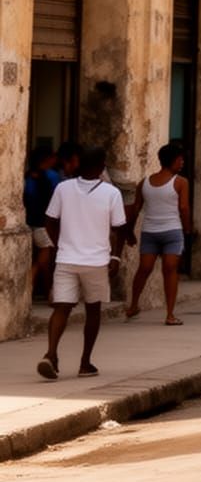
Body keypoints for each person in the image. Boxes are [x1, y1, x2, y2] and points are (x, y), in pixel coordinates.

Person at [38, 146, 126, 380]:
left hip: (66, 258)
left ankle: (51, 353)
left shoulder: (63, 188)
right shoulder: (111, 193)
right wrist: (115, 257)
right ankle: (85, 362)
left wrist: (59, 245)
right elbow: (118, 229)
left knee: (62, 307)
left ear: (78, 164)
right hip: (96, 261)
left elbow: (49, 220)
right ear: (101, 167)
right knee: (93, 310)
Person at [123, 142, 192, 325]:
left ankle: (133, 305)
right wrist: (187, 230)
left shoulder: (145, 182)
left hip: (150, 232)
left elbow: (135, 209)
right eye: (180, 159)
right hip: (172, 231)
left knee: (144, 269)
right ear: (173, 161)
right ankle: (170, 314)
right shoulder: (181, 182)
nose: (182, 162)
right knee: (170, 270)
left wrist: (129, 231)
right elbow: (184, 208)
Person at [24, 147, 60, 302]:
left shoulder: (27, 177)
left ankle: (46, 293)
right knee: (42, 262)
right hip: (43, 224)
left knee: (44, 262)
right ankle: (28, 288)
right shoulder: (52, 176)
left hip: (30, 221)